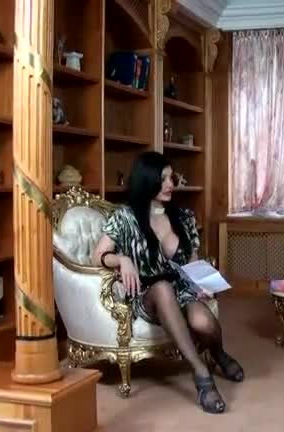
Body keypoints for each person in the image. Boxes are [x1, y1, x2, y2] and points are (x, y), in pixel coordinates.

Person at [92, 151, 244, 414]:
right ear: (147, 180)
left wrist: (201, 283)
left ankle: (218, 353)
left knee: (204, 323)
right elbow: (98, 256)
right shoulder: (125, 217)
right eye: (163, 179)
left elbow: (193, 260)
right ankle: (201, 374)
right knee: (162, 288)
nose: (170, 184)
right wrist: (122, 260)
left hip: (181, 288)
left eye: (171, 178)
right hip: (145, 293)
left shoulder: (183, 217)